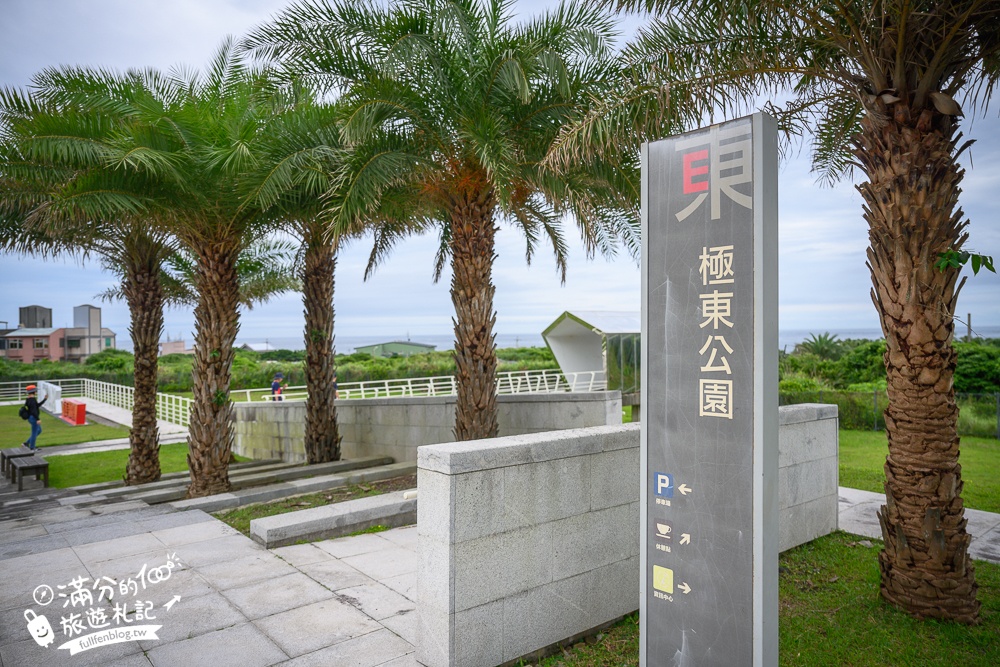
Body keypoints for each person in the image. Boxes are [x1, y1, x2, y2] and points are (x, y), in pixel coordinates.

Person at [22, 384, 46, 452]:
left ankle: (26, 443)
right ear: (34, 392)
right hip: (33, 418)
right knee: (34, 433)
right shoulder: (32, 400)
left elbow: (37, 406)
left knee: (38, 431)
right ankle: (32, 448)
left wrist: (44, 399)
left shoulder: (29, 399)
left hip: (31, 417)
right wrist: (38, 419)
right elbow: (34, 411)